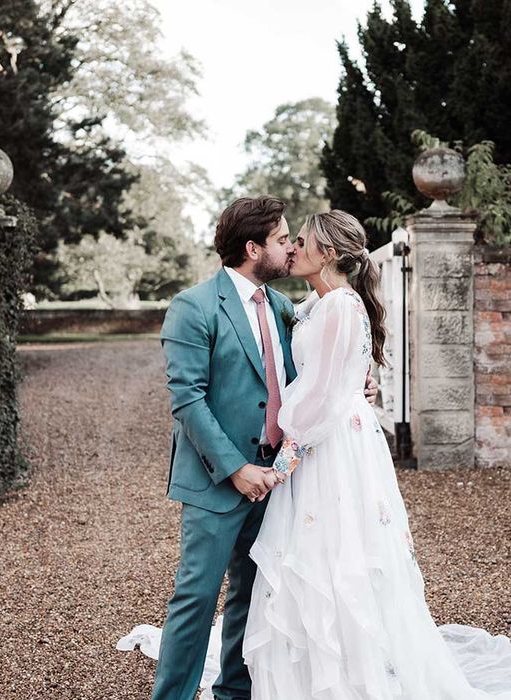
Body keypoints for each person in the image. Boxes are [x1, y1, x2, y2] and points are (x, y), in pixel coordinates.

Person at [241, 210, 511, 699]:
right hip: (333, 434)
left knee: (337, 555)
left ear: (328, 253)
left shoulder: (339, 305)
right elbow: (333, 377)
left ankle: (347, 673)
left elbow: (320, 397)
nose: (292, 247)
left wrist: (285, 458)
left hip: (330, 446)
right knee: (324, 555)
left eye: (301, 240)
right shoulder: (321, 305)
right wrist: (356, 387)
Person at [148, 197, 377, 700]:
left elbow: (314, 372)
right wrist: (235, 469)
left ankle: (236, 692)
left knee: (253, 596)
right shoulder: (193, 306)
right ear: (253, 248)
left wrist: (353, 388)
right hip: (217, 482)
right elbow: (186, 399)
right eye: (281, 240)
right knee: (196, 598)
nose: (290, 247)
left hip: (279, 480)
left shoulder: (280, 307)